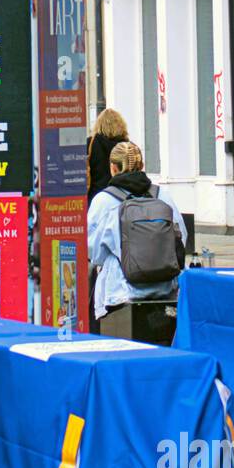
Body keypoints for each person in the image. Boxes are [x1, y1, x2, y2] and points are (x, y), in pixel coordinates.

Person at [87, 141, 187, 339]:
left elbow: (94, 253)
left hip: (120, 293)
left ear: (113, 168)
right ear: (141, 166)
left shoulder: (104, 201)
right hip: (164, 289)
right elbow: (181, 237)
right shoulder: (162, 195)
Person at [87, 108, 129, 202]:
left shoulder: (90, 144)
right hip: (122, 197)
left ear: (98, 125)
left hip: (94, 197)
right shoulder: (127, 146)